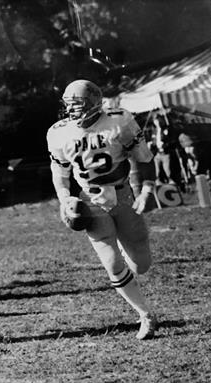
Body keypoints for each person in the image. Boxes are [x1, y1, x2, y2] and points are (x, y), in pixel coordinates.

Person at [47, 79, 158, 340]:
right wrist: (64, 198)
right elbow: (60, 173)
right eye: (69, 105)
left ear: (95, 104)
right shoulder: (58, 132)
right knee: (111, 263)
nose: (72, 110)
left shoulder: (119, 120)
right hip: (91, 200)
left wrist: (147, 190)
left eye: (78, 104)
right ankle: (145, 314)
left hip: (122, 195)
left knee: (141, 263)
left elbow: (144, 158)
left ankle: (128, 259)